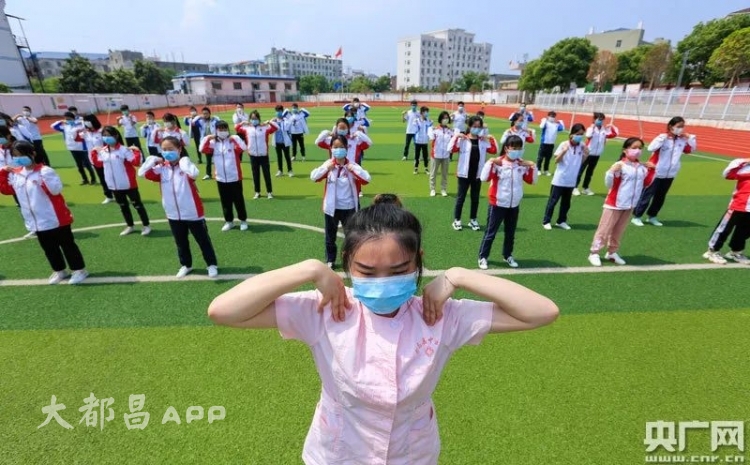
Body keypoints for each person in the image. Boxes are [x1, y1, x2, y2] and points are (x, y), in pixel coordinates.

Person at [206, 199, 559, 465]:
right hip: (337, 453)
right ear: (347, 265)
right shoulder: (326, 309)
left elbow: (542, 312)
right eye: (367, 271)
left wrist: (459, 276)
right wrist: (310, 269)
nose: (383, 282)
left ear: (418, 261)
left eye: (399, 269)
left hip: (412, 452)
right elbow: (223, 311)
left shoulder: (439, 315)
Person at [0, 141, 89, 285]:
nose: (18, 159)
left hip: (55, 217)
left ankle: (79, 270)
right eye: (15, 156)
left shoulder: (45, 171)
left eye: (21, 155)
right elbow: (6, 190)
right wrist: (3, 173)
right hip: (35, 220)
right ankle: (59, 270)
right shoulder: (17, 174)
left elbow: (55, 190)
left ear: (32, 154)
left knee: (67, 245)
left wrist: (41, 181)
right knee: (49, 248)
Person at [139, 136, 219, 279]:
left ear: (179, 149)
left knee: (203, 241)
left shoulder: (185, 166)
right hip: (173, 214)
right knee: (181, 242)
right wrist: (152, 160)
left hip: (193, 212)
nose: (167, 152)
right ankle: (186, 265)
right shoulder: (161, 169)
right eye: (164, 150)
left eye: (170, 149)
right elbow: (143, 174)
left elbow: (194, 174)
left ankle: (211, 264)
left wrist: (183, 160)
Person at [588, 138, 655, 267]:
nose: (638, 151)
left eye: (640, 148)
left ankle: (612, 252)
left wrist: (652, 170)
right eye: (634, 147)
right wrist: (611, 172)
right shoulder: (620, 165)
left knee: (619, 230)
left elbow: (646, 184)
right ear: (625, 150)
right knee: (604, 230)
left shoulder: (641, 167)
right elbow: (610, 184)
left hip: (629, 205)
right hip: (614, 204)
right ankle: (594, 252)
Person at [310, 135, 371, 269]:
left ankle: (351, 259)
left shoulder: (352, 165)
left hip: (349, 207)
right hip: (332, 207)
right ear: (331, 149)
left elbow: (367, 179)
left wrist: (353, 169)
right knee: (330, 236)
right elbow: (314, 177)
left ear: (346, 148)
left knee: (352, 236)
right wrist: (327, 169)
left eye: (341, 147)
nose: (338, 150)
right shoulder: (329, 164)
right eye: (335, 147)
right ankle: (330, 259)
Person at [478, 135, 537, 270]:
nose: (517, 151)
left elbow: (532, 181)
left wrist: (532, 166)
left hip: (513, 205)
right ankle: (483, 257)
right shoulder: (498, 163)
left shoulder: (521, 165)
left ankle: (508, 255)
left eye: (519, 148)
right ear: (506, 148)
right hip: (497, 204)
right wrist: (490, 162)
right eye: (513, 148)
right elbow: (484, 178)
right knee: (491, 232)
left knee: (510, 233)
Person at [632, 117, 697, 227]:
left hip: (670, 173)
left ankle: (652, 216)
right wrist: (662, 138)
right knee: (647, 194)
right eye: (678, 126)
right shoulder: (662, 138)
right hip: (656, 172)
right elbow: (651, 148)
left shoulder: (681, 140)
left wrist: (690, 137)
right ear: (671, 126)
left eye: (682, 126)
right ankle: (637, 216)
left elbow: (691, 149)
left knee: (660, 196)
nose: (681, 129)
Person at [91, 126, 151, 237]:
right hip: (114, 186)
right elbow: (98, 164)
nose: (106, 138)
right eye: (104, 136)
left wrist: (137, 151)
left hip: (128, 184)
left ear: (116, 136)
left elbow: (135, 162)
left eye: (109, 135)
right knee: (123, 206)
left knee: (137, 206)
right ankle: (130, 226)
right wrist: (94, 153)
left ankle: (146, 225)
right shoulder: (103, 151)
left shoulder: (124, 150)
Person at [450, 116, 498, 232]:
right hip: (464, 174)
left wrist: (491, 138)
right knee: (461, 198)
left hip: (477, 175)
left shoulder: (482, 141)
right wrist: (456, 136)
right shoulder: (463, 139)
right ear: (469, 126)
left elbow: (494, 150)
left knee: (475, 198)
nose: (476, 129)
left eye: (479, 127)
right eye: (474, 126)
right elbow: (451, 149)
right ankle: (457, 220)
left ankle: (473, 219)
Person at [201, 121, 250, 232]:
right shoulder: (213, 143)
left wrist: (236, 138)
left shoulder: (232, 141)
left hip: (235, 177)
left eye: (225, 129)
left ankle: (243, 220)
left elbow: (243, 148)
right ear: (216, 131)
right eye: (220, 129)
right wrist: (208, 138)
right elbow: (202, 149)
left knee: (238, 200)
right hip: (221, 178)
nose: (223, 132)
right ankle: (229, 221)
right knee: (225, 201)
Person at [702, 158, 750, 265]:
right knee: (724, 228)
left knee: (744, 231)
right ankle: (712, 251)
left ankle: (735, 251)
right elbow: (727, 174)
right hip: (738, 204)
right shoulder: (745, 168)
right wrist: (745, 161)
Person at [542, 123, 589, 231]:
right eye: (578, 134)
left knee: (566, 203)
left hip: (571, 180)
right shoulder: (564, 144)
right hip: (560, 179)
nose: (580, 136)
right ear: (572, 134)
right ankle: (546, 221)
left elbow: (579, 163)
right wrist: (564, 151)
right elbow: (556, 160)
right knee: (553, 201)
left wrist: (585, 155)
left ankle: (561, 221)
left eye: (582, 134)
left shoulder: (581, 146)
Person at [575, 112, 619, 196]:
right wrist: (593, 127)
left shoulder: (604, 130)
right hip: (587, 153)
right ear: (594, 119)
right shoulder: (591, 128)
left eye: (602, 120)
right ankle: (575, 187)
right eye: (599, 119)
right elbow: (588, 135)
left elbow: (614, 134)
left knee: (590, 172)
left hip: (596, 155)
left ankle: (585, 188)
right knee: (580, 170)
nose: (601, 121)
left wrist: (612, 126)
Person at [238, 111, 278, 199]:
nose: (254, 120)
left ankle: (269, 192)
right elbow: (237, 128)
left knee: (266, 174)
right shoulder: (247, 128)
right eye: (252, 119)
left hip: (263, 155)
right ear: (250, 119)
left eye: (255, 118)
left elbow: (275, 128)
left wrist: (269, 122)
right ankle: (257, 192)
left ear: (259, 119)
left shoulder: (265, 128)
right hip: (253, 155)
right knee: (255, 174)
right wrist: (243, 122)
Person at [51, 111, 98, 186]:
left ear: (73, 118)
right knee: (79, 165)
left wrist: (78, 122)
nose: (67, 120)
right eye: (66, 119)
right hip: (72, 148)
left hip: (82, 148)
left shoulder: (80, 125)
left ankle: (93, 179)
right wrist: (61, 121)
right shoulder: (65, 126)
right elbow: (53, 126)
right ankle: (84, 179)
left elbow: (86, 126)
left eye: (69, 119)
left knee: (87, 164)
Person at [79, 114, 114, 205]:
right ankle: (108, 196)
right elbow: (76, 138)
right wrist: (83, 130)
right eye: (84, 121)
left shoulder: (102, 132)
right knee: (102, 178)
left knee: (110, 177)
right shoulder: (86, 133)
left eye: (86, 121)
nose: (85, 123)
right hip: (94, 160)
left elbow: (109, 143)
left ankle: (117, 193)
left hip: (105, 158)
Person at [428, 111, 454, 197]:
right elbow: (431, 139)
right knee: (433, 173)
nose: (445, 120)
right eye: (444, 118)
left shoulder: (450, 131)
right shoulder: (435, 130)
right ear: (440, 119)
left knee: (444, 174)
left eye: (447, 118)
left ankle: (443, 189)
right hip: (436, 155)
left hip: (446, 156)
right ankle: (432, 189)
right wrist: (430, 130)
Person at [193, 107, 221, 180]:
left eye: (206, 113)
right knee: (208, 160)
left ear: (209, 113)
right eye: (204, 114)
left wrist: (215, 118)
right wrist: (199, 116)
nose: (205, 115)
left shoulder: (214, 121)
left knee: (217, 158)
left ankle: (219, 173)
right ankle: (208, 174)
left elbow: (220, 122)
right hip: (206, 143)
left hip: (215, 142)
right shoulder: (201, 122)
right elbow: (193, 122)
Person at [536, 111, 564, 176]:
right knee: (540, 158)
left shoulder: (556, 125)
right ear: (548, 116)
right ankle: (538, 169)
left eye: (553, 116)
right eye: (551, 116)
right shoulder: (546, 123)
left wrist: (561, 122)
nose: (552, 117)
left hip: (551, 144)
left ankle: (546, 170)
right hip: (544, 143)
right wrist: (544, 120)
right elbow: (541, 126)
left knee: (548, 158)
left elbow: (562, 128)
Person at [272, 105, 294, 177]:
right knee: (279, 157)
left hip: (285, 142)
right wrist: (272, 121)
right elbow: (270, 130)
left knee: (287, 157)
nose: (278, 113)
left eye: (280, 111)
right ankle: (280, 171)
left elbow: (286, 128)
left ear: (282, 111)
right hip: (277, 142)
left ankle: (290, 170)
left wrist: (282, 120)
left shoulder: (286, 120)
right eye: (277, 111)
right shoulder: (273, 121)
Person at [413, 106, 432, 175]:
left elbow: (430, 129)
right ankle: (416, 168)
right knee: (417, 156)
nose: (426, 113)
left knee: (425, 156)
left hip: (425, 141)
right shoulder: (416, 121)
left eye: (427, 112)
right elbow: (415, 130)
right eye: (425, 112)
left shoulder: (429, 121)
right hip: (418, 141)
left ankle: (426, 168)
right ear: (421, 113)